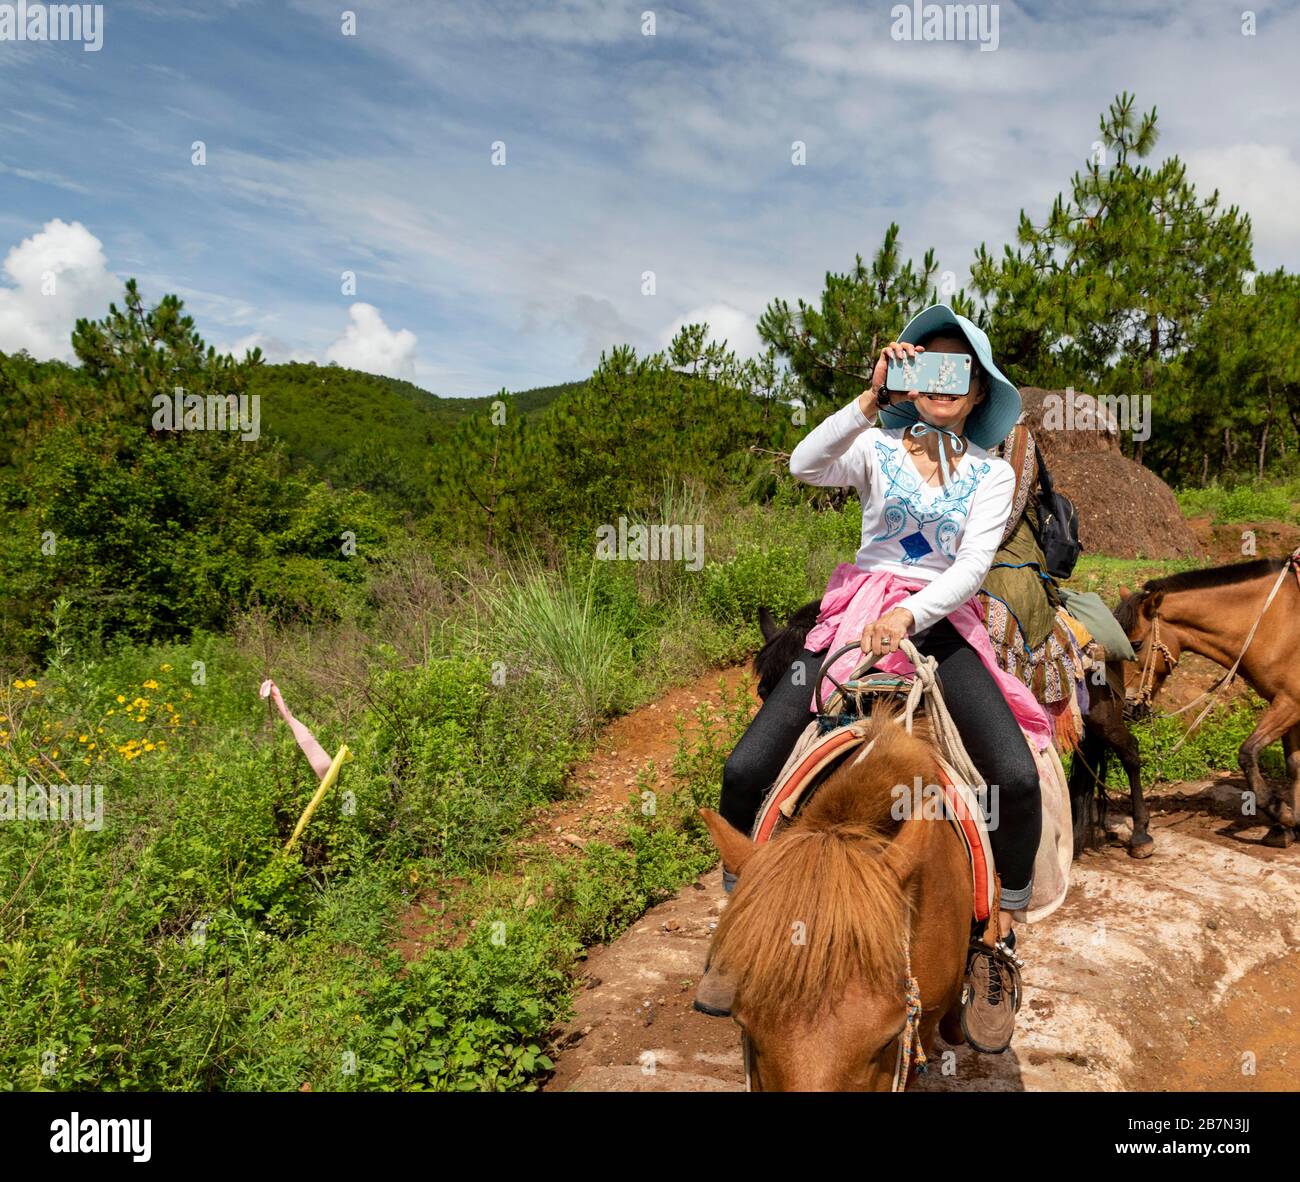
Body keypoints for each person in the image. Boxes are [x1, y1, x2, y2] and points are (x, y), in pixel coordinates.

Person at [697, 304, 1053, 1054]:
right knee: (746, 765)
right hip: (851, 612)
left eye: (961, 369)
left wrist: (911, 615)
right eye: (928, 366)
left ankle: (998, 942)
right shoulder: (876, 448)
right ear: (909, 378)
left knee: (1015, 779)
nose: (943, 382)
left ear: (981, 391)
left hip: (936, 621)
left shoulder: (990, 476)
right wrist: (869, 396)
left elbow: (970, 570)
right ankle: (740, 926)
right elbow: (803, 465)